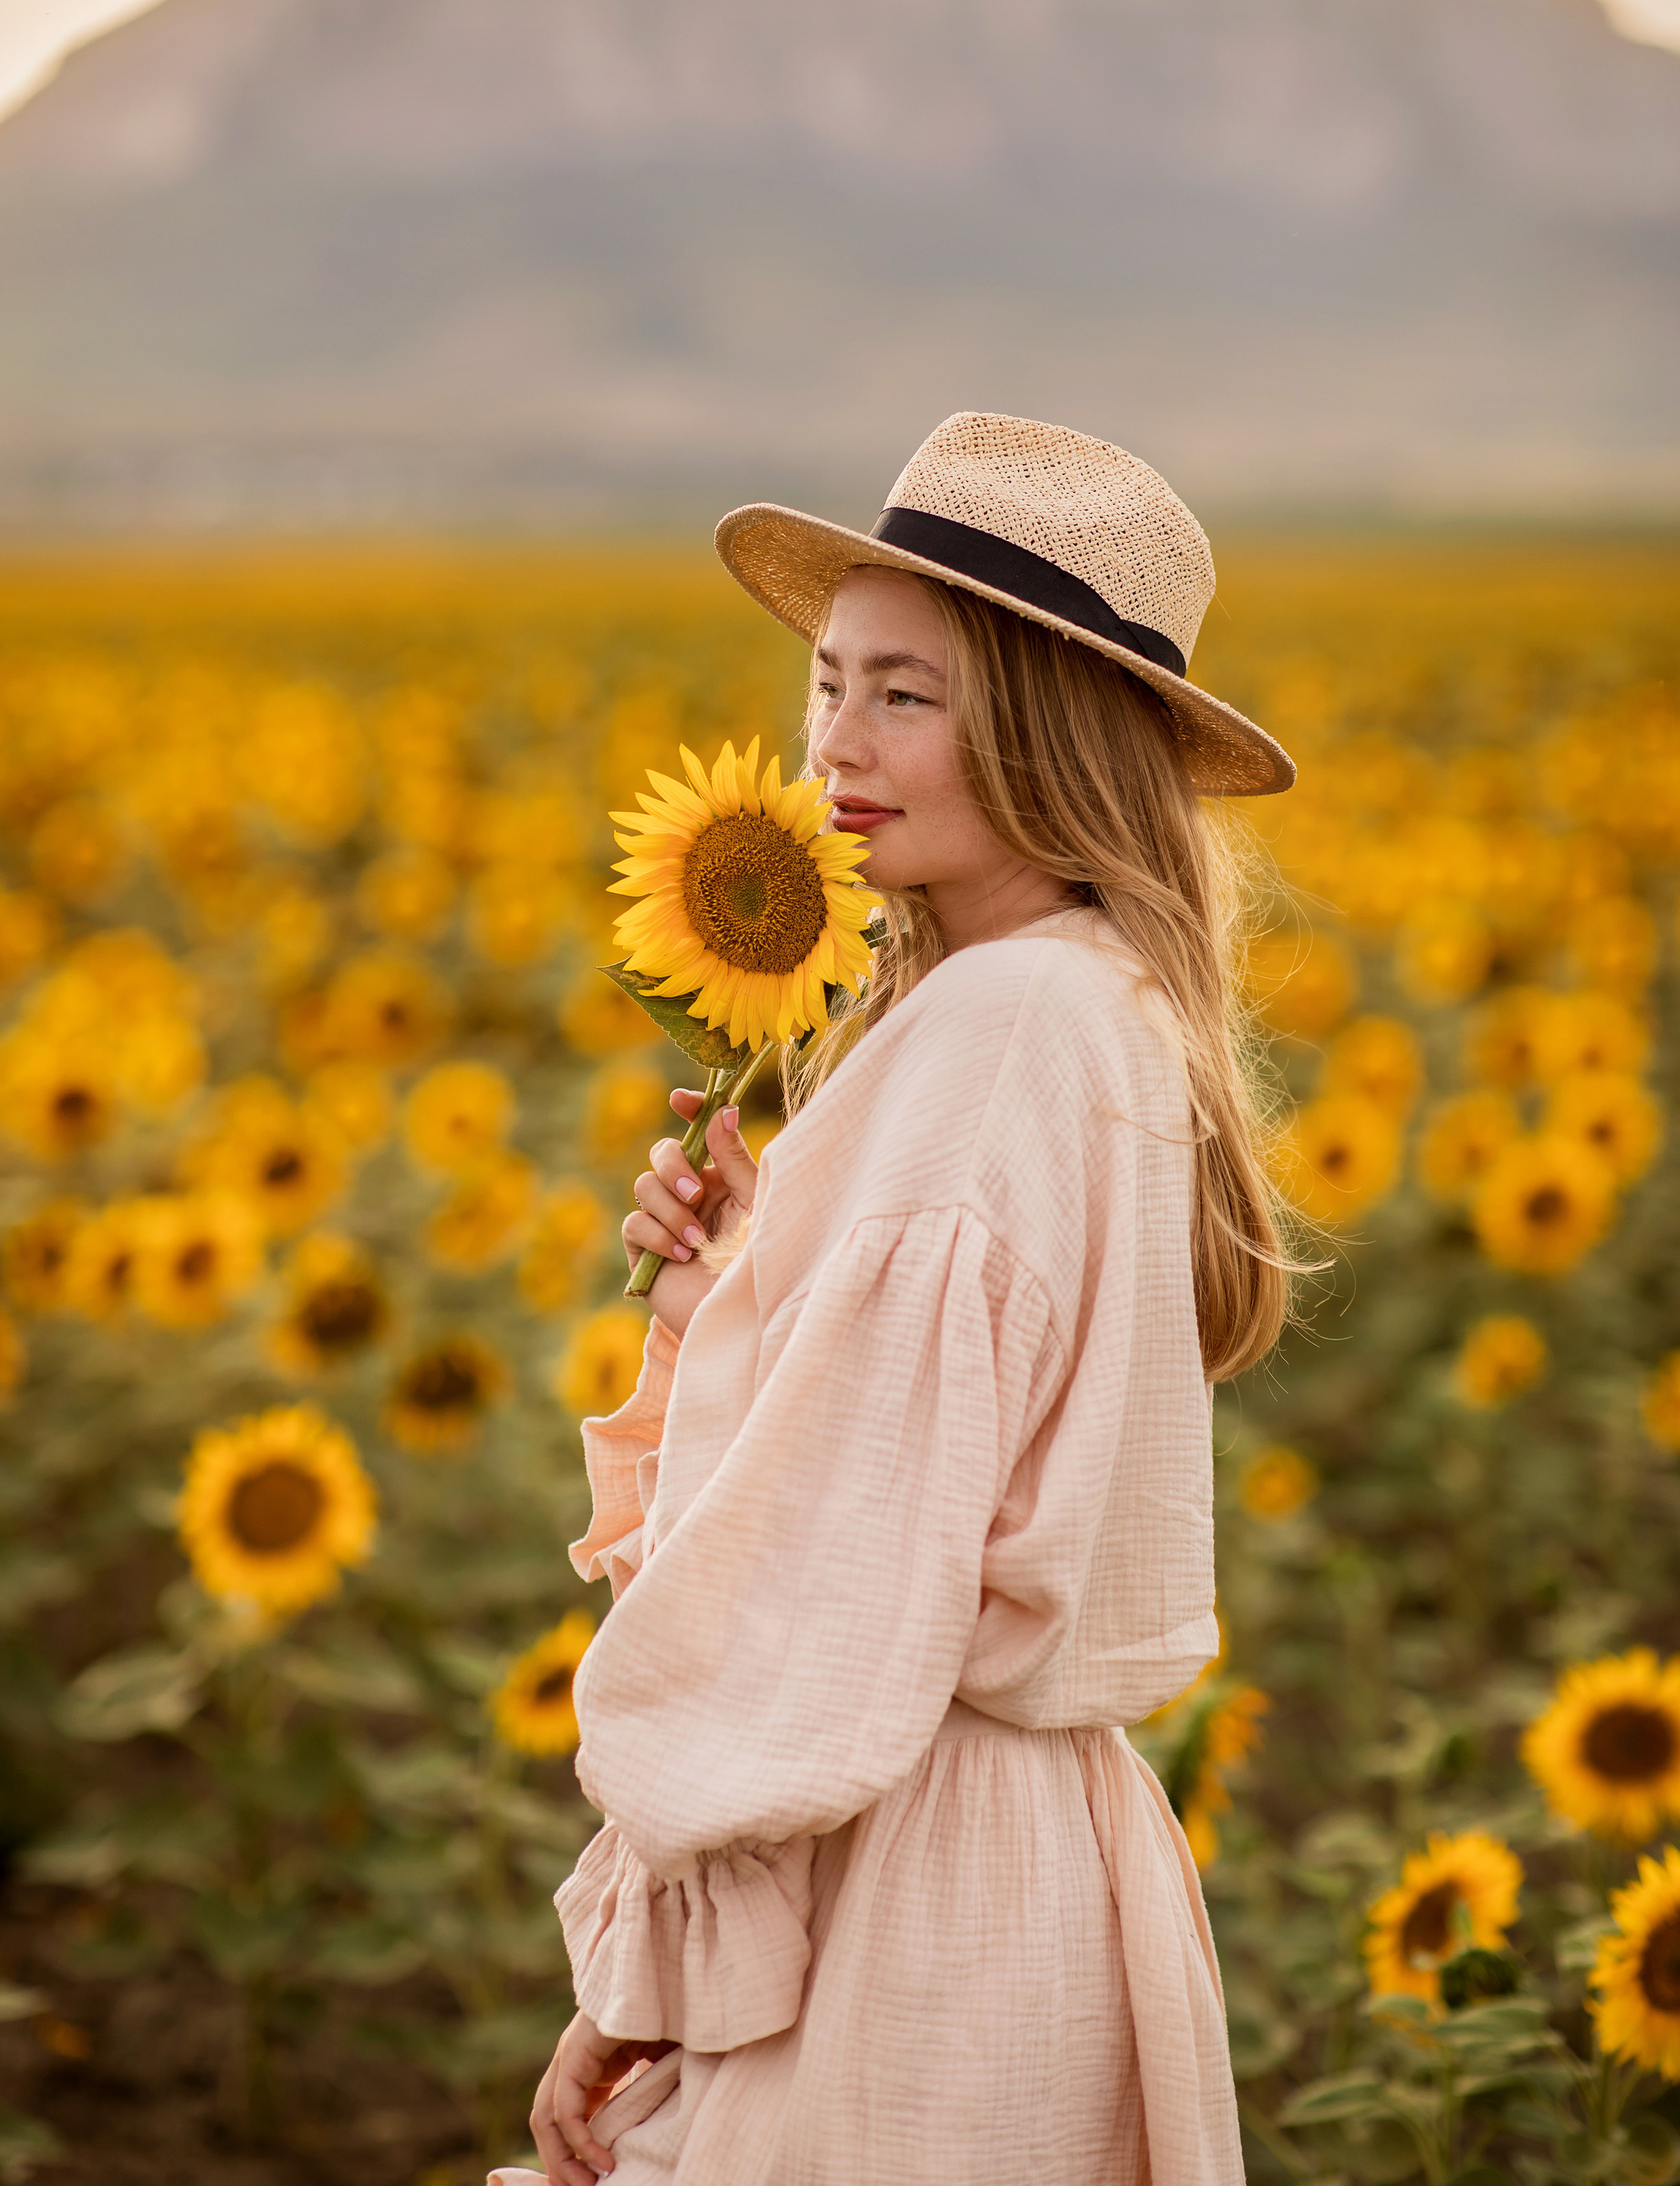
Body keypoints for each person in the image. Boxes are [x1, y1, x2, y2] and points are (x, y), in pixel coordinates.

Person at [495, 413, 1297, 2186]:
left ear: (1047, 728)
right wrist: (732, 1306)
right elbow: (908, 1471)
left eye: (905, 698)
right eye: (828, 684)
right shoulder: (1087, 1004)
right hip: (1019, 1863)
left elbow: (823, 1589)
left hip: (892, 1890)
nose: (833, 748)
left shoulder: (996, 1038)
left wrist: (646, 1966)